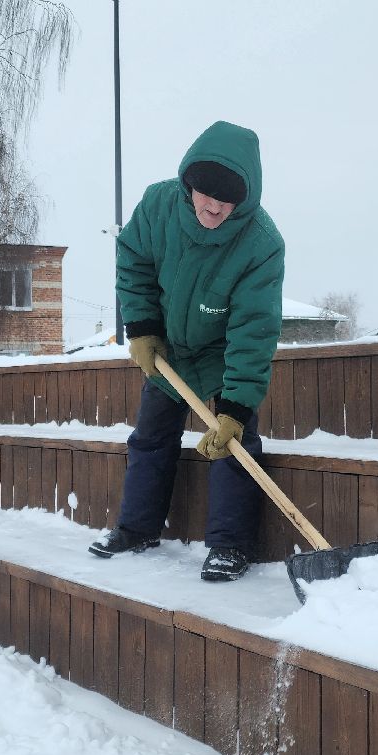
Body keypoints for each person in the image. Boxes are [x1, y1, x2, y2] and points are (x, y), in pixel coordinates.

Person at [89, 120, 284, 582]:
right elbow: (132, 260)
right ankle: (136, 528)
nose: (213, 207)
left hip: (222, 354)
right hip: (170, 348)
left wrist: (235, 406)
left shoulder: (261, 243)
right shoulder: (158, 205)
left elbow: (253, 329)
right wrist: (141, 328)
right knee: (151, 436)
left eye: (226, 200)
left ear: (244, 199)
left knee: (233, 443)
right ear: (188, 184)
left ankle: (229, 547)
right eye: (204, 195)